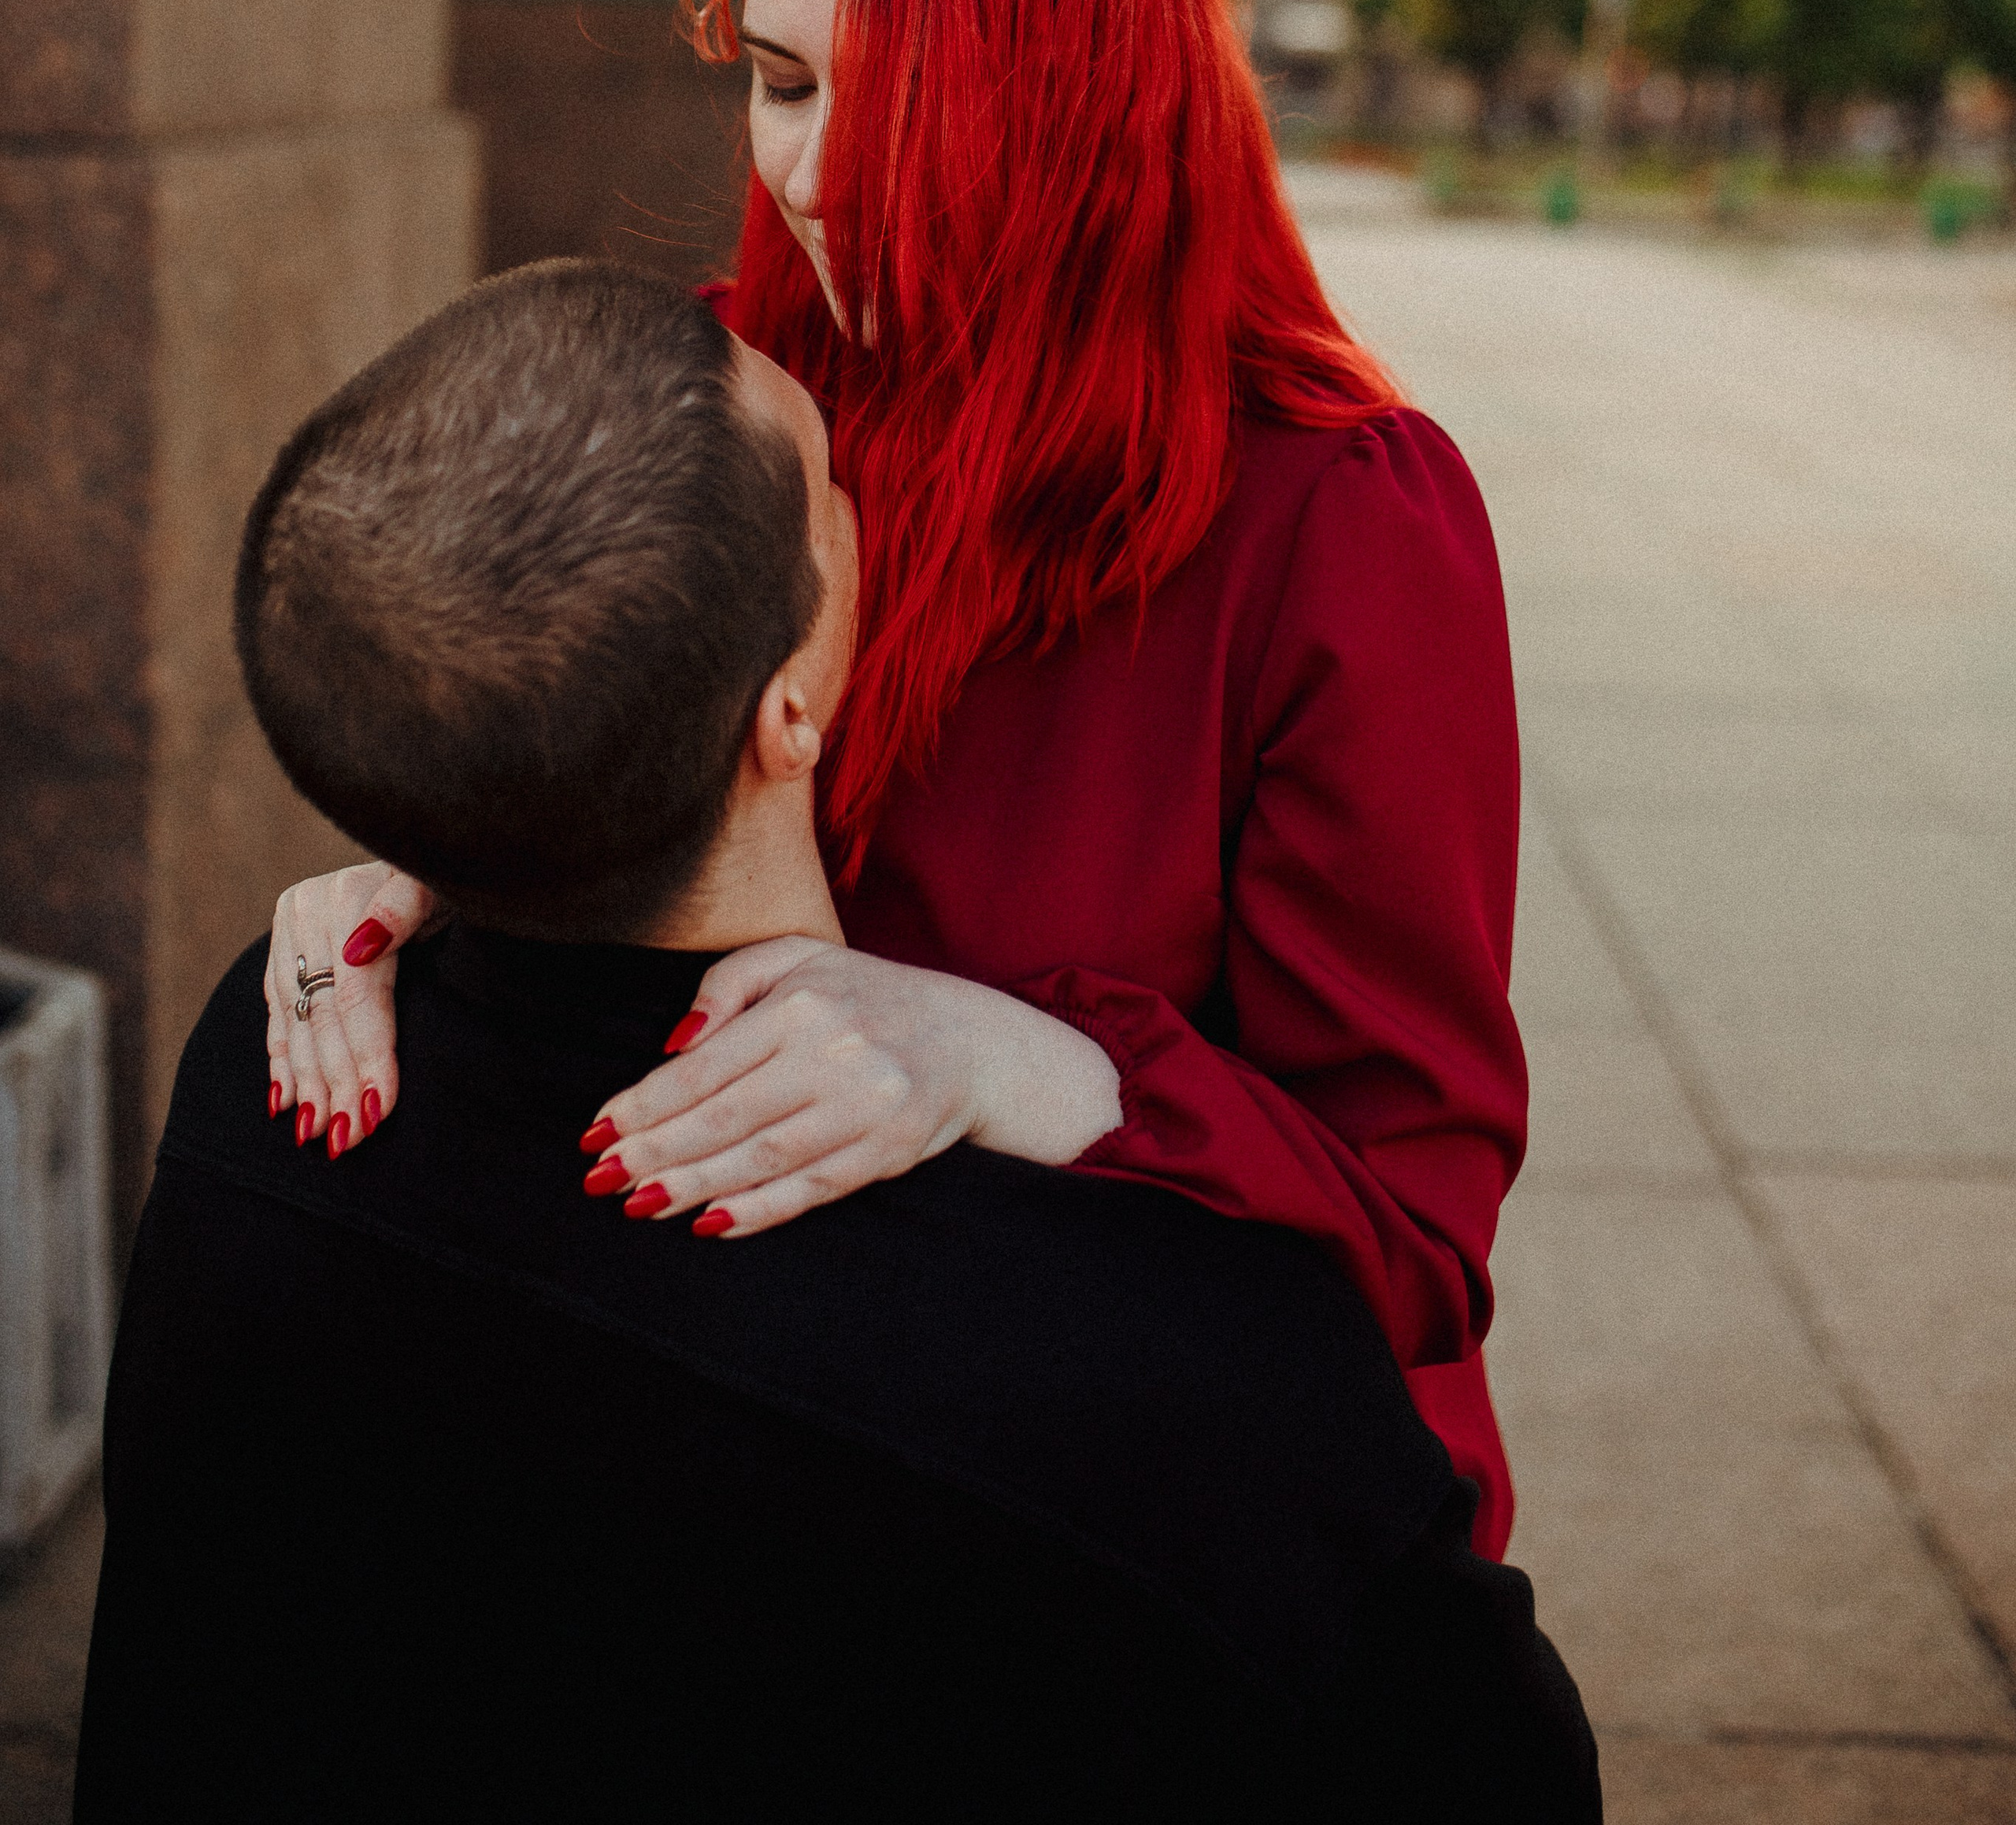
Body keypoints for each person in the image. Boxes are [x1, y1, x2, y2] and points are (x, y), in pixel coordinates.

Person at [78, 265, 1600, 1819]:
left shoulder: (270, 1068)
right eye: (825, 477)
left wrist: (468, 805)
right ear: (790, 700)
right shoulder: (1183, 1385)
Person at [266, 0, 1529, 1551]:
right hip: (777, 1456)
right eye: (781, 81)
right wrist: (474, 840)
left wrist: (1029, 1063)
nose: (820, 177)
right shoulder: (729, 401)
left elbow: (1416, 1233)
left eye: (914, 103)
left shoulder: (1338, 520)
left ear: (1107, 97)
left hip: (1169, 1532)